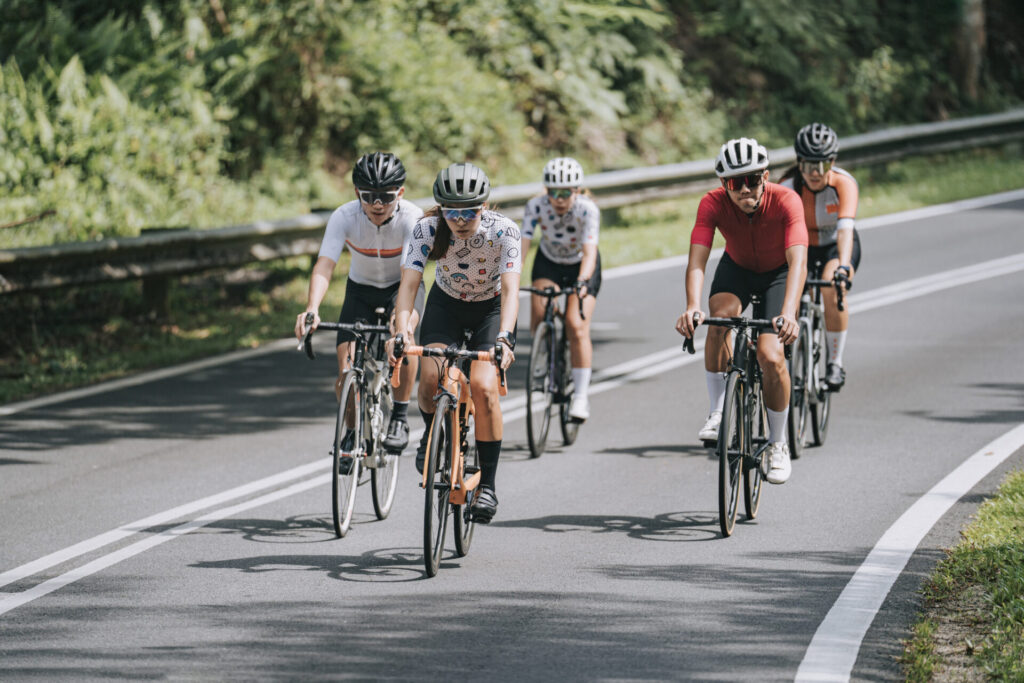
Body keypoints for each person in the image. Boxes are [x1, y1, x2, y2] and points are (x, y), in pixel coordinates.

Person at [389, 162, 520, 523]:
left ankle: (488, 485)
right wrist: (402, 330)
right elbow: (409, 285)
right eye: (452, 212)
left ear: (484, 206)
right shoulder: (427, 229)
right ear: (441, 209)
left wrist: (505, 337)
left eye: (469, 212)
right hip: (446, 306)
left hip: (490, 311)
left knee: (482, 385)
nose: (460, 220)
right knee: (430, 378)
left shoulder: (505, 231)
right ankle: (432, 434)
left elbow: (510, 290)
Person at [675, 138, 808, 484]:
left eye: (752, 179)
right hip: (738, 267)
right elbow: (697, 261)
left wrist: (789, 313)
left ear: (765, 176)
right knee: (719, 318)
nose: (745, 189)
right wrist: (692, 306)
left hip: (778, 273)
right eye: (736, 182)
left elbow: (798, 262)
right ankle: (718, 411)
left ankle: (778, 443)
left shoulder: (786, 200)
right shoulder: (712, 203)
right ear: (724, 184)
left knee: (770, 354)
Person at [295, 152, 424, 473]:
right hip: (360, 291)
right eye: (369, 196)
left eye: (386, 196)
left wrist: (402, 319)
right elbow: (325, 264)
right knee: (345, 371)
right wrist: (312, 308)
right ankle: (352, 434)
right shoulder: (344, 216)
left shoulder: (413, 217)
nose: (378, 204)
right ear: (357, 194)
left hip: (403, 286)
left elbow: (412, 273)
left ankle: (399, 417)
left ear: (401, 193)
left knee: (404, 342)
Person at [780, 123, 860, 390]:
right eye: (808, 165)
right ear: (798, 163)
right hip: (802, 246)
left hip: (834, 247)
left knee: (831, 286)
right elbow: (780, 234)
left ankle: (835, 363)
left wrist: (844, 268)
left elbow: (845, 230)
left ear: (832, 162)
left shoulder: (843, 184)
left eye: (822, 165)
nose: (815, 173)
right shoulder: (788, 186)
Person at [520, 157, 601, 421]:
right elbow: (524, 243)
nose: (559, 199)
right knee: (539, 307)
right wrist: (514, 273)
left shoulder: (588, 210)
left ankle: (580, 396)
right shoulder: (535, 206)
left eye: (565, 193)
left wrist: (582, 282)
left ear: (576, 191)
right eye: (553, 192)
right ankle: (543, 352)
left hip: (582, 264)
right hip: (549, 262)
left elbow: (590, 252)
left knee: (575, 325)